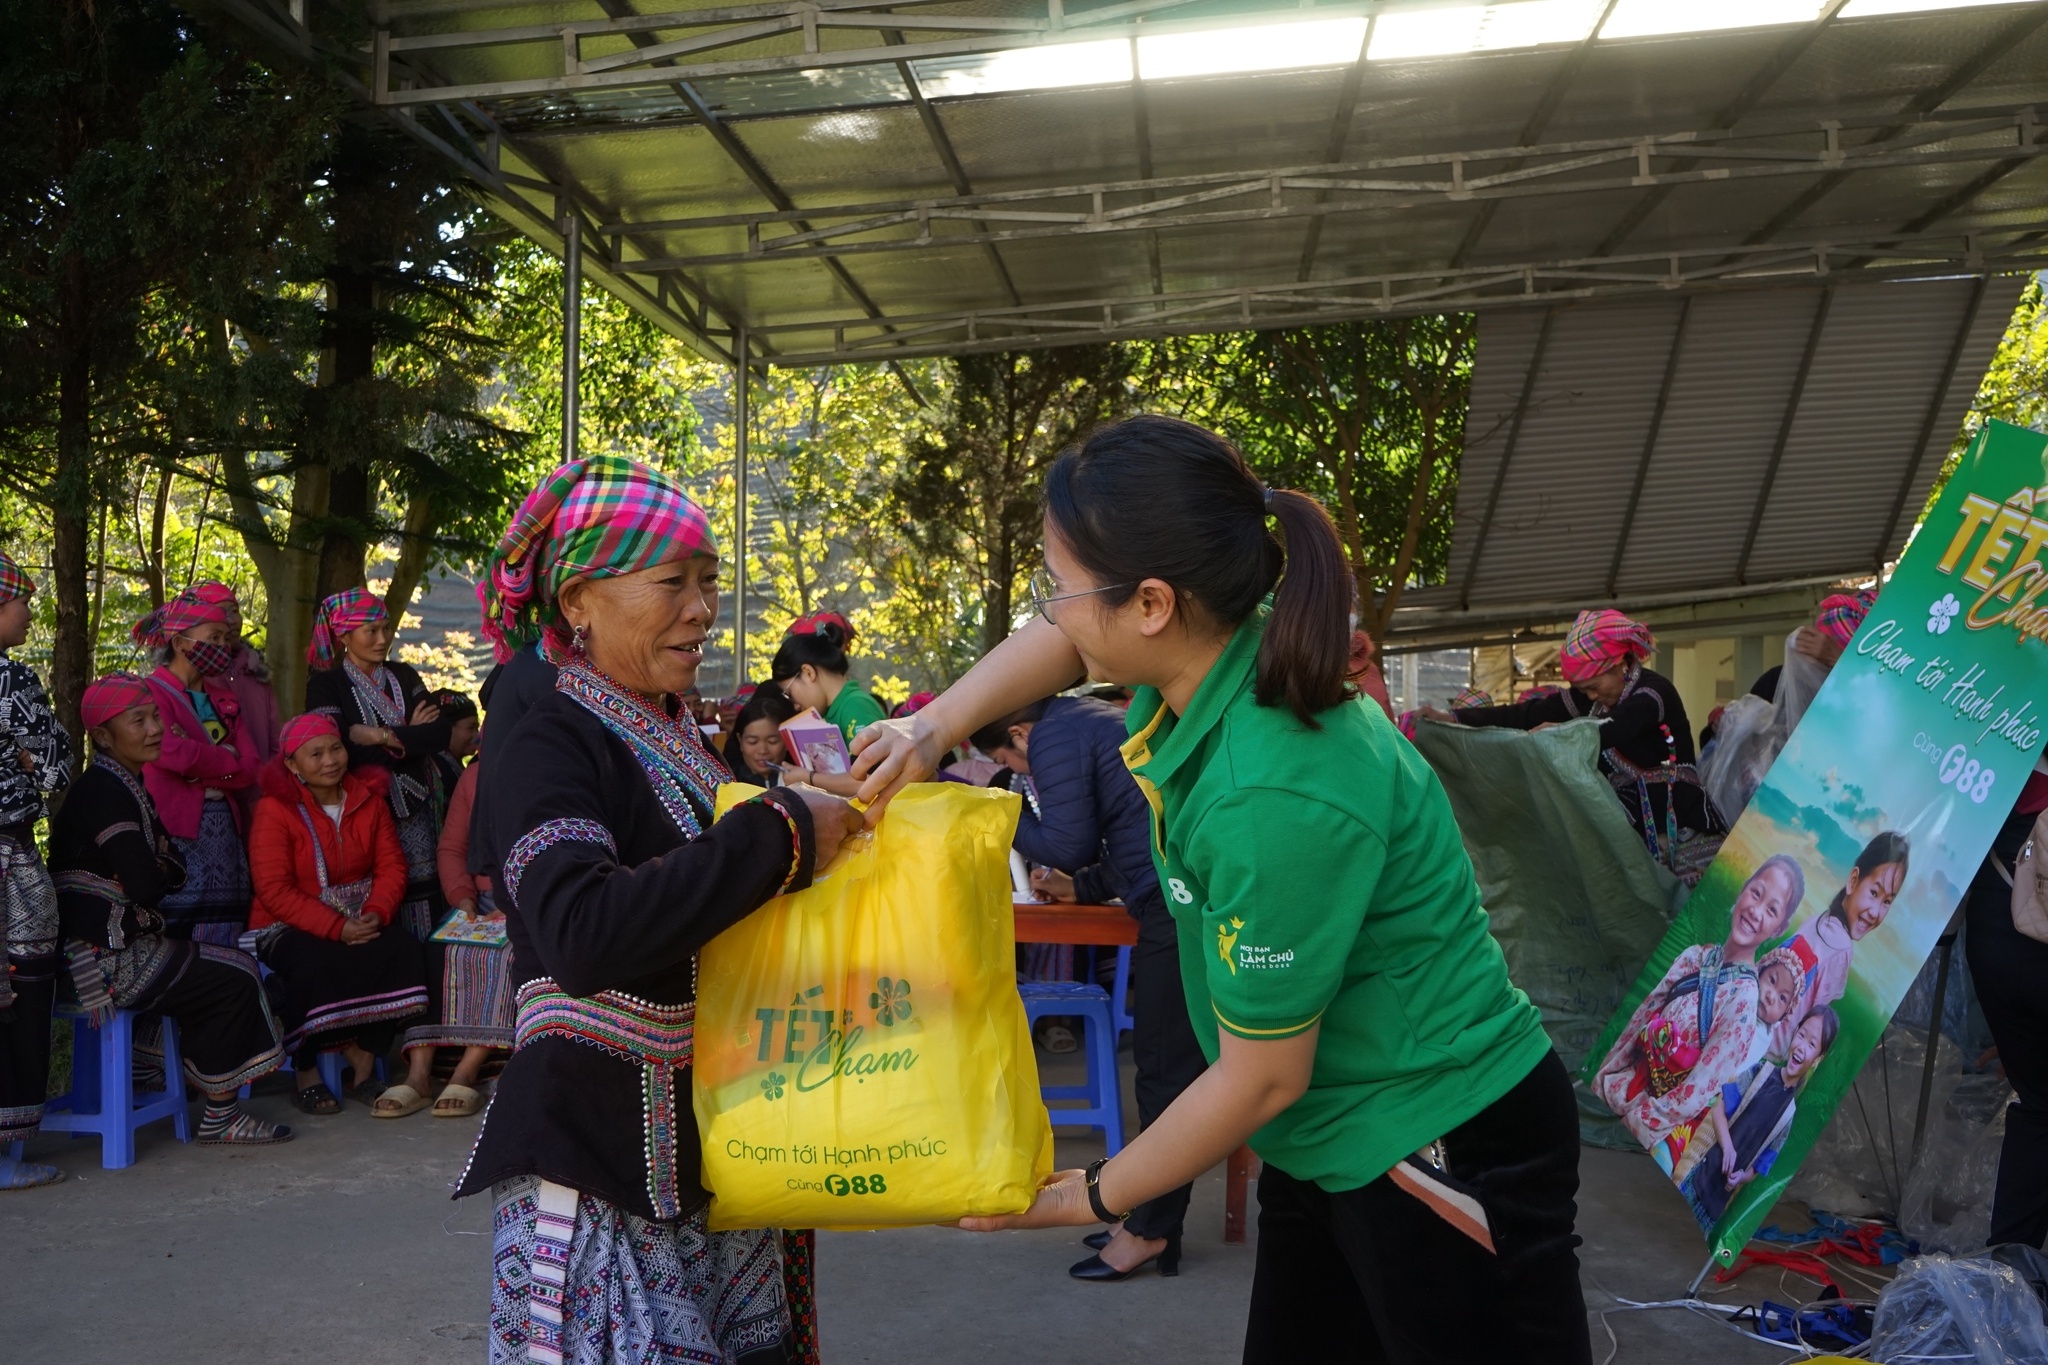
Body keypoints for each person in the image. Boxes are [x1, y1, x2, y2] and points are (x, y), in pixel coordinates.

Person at [852, 416, 1585, 1363]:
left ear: (1152, 603)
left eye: (1058, 585)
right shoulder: (1216, 660)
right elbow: (1065, 641)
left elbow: (1262, 1072)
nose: (1051, 610)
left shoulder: (1267, 787)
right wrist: (932, 726)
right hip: (1327, 1131)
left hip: (1437, 1133)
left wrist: (1085, 1192)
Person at [460, 453, 860, 1365]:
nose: (702, 607)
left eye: (710, 582)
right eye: (672, 582)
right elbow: (583, 933)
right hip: (598, 1154)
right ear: (578, 602)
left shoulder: (676, 732)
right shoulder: (548, 740)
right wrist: (781, 831)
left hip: (716, 1142)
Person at [973, 691, 1207, 1284]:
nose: (1027, 775)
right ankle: (1148, 1215)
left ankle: (1152, 1230)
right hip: (1170, 885)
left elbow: (1069, 842)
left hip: (1176, 901)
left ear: (1019, 735)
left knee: (1161, 1069)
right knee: (1162, 1067)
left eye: (1015, 763)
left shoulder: (1052, 734)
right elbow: (1130, 828)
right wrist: (1085, 885)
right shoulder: (1088, 719)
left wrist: (996, 807)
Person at [52, 674, 291, 1146]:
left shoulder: (126, 784)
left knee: (231, 968)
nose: (155, 728)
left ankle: (182, 1081)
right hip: (100, 960)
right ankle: (220, 1114)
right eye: (137, 720)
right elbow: (149, 883)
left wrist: (159, 866)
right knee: (237, 974)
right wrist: (158, 865)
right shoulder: (103, 792)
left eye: (156, 716)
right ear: (102, 735)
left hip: (118, 941)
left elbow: (165, 869)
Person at [1422, 609, 1727, 885]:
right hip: (1636, 834)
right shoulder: (1587, 702)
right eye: (1584, 690)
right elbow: (1525, 714)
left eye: (1594, 686)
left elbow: (1619, 726)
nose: (1591, 696)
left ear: (1619, 664)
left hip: (1684, 827)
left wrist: (1566, 732)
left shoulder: (1653, 693)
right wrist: (1453, 718)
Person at [246, 713, 430, 1118]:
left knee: (404, 952)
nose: (330, 760)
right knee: (315, 962)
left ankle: (364, 1059)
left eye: (335, 748)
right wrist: (335, 927)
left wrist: (377, 915)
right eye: (316, 754)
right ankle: (306, 1071)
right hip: (287, 925)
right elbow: (274, 890)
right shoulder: (275, 810)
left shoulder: (368, 799)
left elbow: (391, 868)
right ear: (292, 765)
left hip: (361, 917)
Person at [1590, 856, 1806, 1174]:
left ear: (1779, 928)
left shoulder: (1743, 1005)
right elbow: (1638, 1022)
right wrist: (1603, 1080)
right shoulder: (1694, 957)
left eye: (1772, 910)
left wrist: (1631, 1119)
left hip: (1642, 1129)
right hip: (1615, 1091)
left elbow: (1694, 1093)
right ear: (1744, 888)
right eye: (1756, 893)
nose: (1756, 912)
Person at [304, 588, 453, 941]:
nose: (382, 638)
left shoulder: (404, 675)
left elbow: (440, 733)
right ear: (344, 636)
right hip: (363, 810)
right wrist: (408, 735)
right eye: (371, 631)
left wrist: (378, 736)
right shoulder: (326, 687)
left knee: (432, 895)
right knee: (378, 901)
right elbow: (342, 751)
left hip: (420, 808)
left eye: (386, 629)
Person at [0, 551, 71, 1190]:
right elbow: (53, 768)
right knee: (16, 991)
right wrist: (26, 761)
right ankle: (3, 1154)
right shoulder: (11, 680)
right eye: (21, 599)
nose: (29, 611)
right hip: (7, 863)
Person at [136, 589, 258, 944]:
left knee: (227, 926)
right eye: (213, 638)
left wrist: (196, 764)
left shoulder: (224, 700)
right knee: (176, 924)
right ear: (181, 642)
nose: (222, 646)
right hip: (176, 831)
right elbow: (169, 752)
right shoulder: (150, 693)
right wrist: (224, 756)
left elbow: (250, 767)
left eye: (224, 638)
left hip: (226, 836)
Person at [1700, 590, 1877, 818]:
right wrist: (1724, 726)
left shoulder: (1863, 701)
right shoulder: (1776, 683)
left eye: (1827, 653)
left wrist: (1838, 662)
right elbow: (1721, 754)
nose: (1813, 661)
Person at [404, 748, 512, 1118]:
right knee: (436, 949)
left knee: (504, 955)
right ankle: (418, 1075)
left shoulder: (551, 766)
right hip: (479, 899)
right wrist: (462, 899)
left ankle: (467, 1072)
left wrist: (514, 904)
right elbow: (452, 848)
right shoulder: (475, 776)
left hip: (528, 900)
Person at [1967, 771, 2048, 1250]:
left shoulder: (2008, 712)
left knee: (2039, 1105)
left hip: (1998, 925)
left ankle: (2008, 1274)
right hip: (2022, 942)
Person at [1678, 1005, 1839, 1226]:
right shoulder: (1759, 1072)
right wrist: (1728, 1148)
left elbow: (1757, 1170)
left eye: (1812, 1044)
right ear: (1794, 1033)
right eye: (1801, 1035)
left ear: (1817, 1059)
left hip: (1716, 1206)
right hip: (1698, 1178)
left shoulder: (1788, 1115)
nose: (1802, 1046)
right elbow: (1718, 1112)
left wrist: (1741, 1177)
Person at [1780, 832, 1909, 1022]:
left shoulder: (1817, 921)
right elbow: (1813, 1022)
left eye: (1887, 901)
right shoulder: (1842, 949)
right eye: (1874, 893)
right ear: (1853, 880)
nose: (1875, 912)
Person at [771, 612, 885, 795]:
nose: (795, 705)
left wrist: (808, 778)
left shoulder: (856, 706)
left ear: (808, 673)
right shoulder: (832, 712)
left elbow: (872, 781)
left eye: (790, 694)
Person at [722, 683, 795, 786]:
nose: (763, 751)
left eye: (772, 741)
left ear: (787, 741)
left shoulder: (802, 785)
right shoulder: (727, 785)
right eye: (753, 742)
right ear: (740, 741)